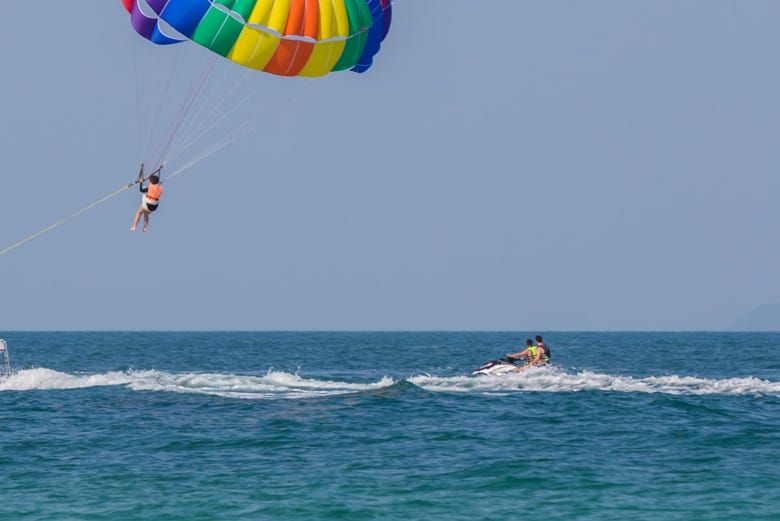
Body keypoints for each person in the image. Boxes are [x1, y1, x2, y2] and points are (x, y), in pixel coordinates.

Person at [130, 165, 164, 232]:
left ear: (151, 182)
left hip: (148, 203)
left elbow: (141, 190)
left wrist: (141, 182)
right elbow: (156, 182)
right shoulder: (160, 188)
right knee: (146, 213)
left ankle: (134, 226)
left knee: (139, 212)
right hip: (154, 206)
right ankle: (145, 228)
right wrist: (159, 170)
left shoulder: (150, 187)